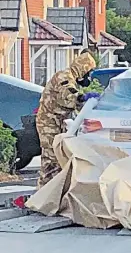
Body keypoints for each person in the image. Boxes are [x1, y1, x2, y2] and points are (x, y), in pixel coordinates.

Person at [36, 50, 99, 188]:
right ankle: (44, 194)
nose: (89, 78)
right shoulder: (64, 77)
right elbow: (68, 95)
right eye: (88, 73)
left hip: (57, 122)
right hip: (49, 123)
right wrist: (82, 98)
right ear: (83, 69)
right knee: (51, 159)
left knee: (59, 158)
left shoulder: (70, 78)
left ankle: (52, 193)